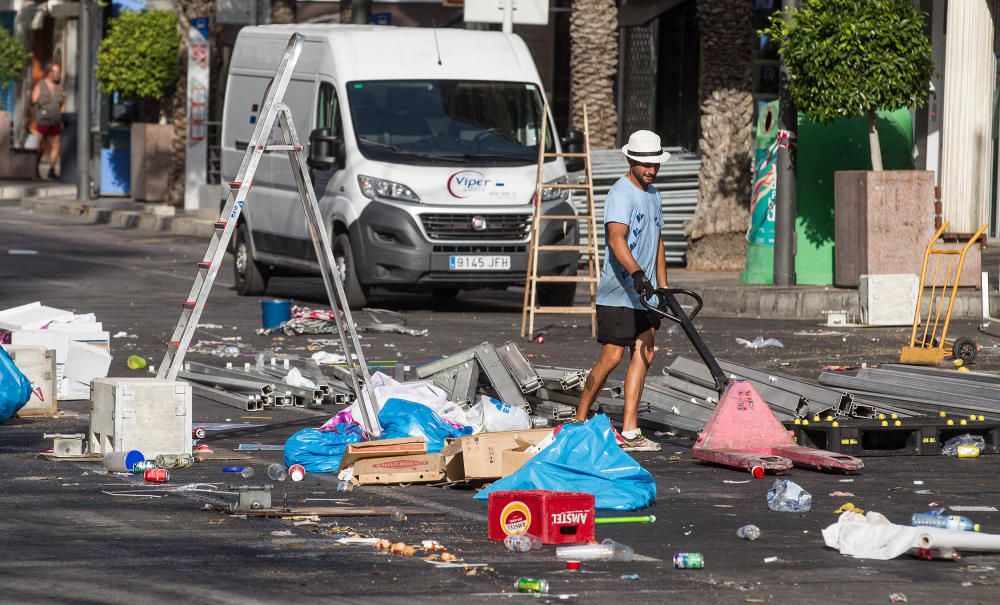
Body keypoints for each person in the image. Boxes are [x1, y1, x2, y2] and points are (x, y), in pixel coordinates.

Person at [573, 130, 671, 452]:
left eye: (654, 164)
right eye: (645, 164)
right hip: (618, 291)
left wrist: (663, 287)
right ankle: (579, 417)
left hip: (646, 292)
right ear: (631, 160)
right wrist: (637, 274)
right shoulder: (621, 193)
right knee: (612, 356)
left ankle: (630, 429)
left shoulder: (654, 195)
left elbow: (657, 242)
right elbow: (617, 239)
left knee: (645, 352)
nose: (650, 170)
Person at [31, 62, 64, 180]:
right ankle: (35, 167)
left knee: (56, 143)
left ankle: (51, 170)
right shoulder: (40, 85)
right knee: (41, 144)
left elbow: (61, 103)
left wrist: (62, 118)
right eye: (56, 72)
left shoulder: (59, 86)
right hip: (43, 120)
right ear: (50, 73)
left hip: (55, 119)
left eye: (59, 72)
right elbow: (33, 101)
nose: (58, 74)